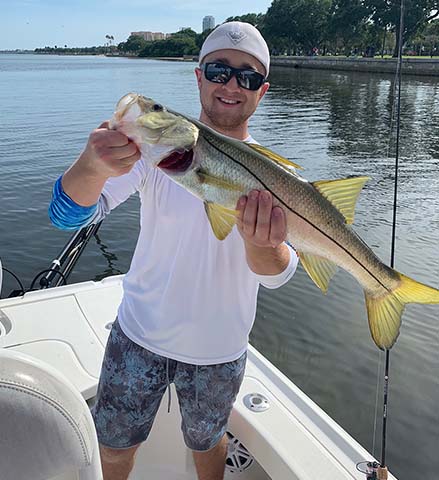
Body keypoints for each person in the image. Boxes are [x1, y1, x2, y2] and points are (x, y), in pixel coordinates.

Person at [49, 21, 298, 480]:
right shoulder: (154, 156)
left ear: (262, 91)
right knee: (115, 446)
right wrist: (90, 165)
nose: (230, 84)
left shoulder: (281, 181)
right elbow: (67, 216)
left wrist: (262, 245)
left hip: (219, 352)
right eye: (219, 69)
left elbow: (277, 273)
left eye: (246, 76)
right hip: (138, 336)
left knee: (208, 445)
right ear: (199, 77)